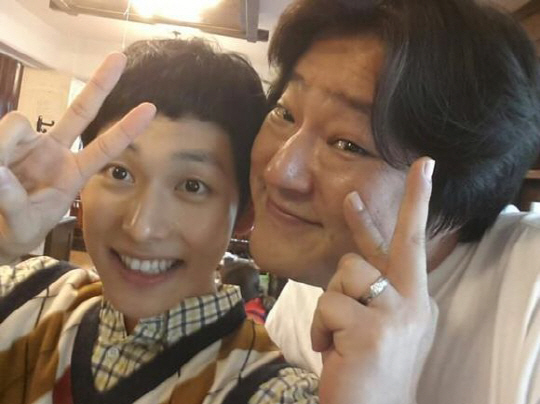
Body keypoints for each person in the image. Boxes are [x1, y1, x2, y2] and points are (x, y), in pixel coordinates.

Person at [247, 0, 540, 403]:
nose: (279, 171)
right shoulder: (310, 288)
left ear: (459, 194)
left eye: (347, 144)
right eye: (285, 113)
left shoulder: (530, 296)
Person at [0, 38, 319, 404]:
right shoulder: (26, 293)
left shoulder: (270, 391)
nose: (142, 228)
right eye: (119, 172)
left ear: (245, 213)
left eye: (192, 186)